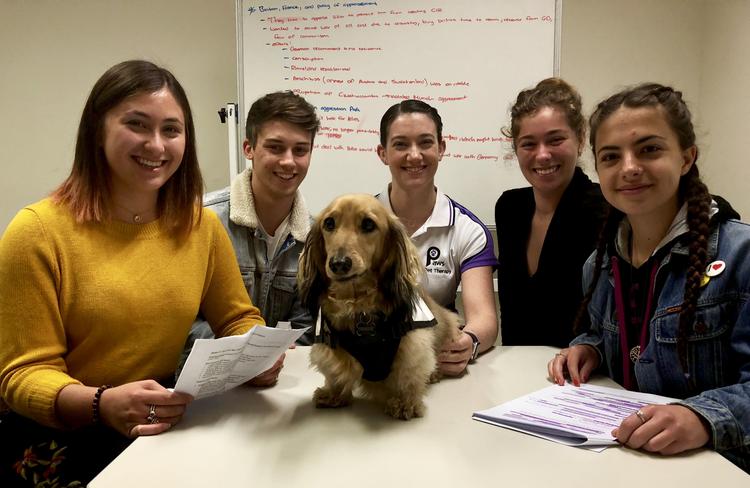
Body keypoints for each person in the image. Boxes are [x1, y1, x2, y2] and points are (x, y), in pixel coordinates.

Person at [0, 60, 275, 486]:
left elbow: (237, 316)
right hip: (66, 435)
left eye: (171, 130)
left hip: (160, 419)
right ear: (97, 130)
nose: (156, 145)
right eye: (137, 125)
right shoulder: (36, 232)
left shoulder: (199, 226)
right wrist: (101, 404)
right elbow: (21, 375)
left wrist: (254, 355)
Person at [547, 83, 750, 471]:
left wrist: (702, 418)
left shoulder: (742, 255)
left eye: (649, 149)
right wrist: (588, 348)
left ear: (687, 157)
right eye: (610, 157)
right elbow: (609, 334)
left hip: (719, 469)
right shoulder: (600, 264)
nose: (629, 168)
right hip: (629, 464)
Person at [180, 91, 319, 368]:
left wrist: (278, 356)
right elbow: (182, 322)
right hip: (208, 382)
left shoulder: (316, 238)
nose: (289, 161)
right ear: (249, 148)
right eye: (275, 147)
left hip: (280, 383)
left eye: (300, 150)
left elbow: (305, 324)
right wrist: (246, 352)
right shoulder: (202, 221)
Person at [375, 99, 498, 376]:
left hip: (434, 362)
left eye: (425, 143)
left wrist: (470, 342)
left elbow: (484, 319)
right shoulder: (360, 224)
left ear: (441, 148)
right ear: (383, 153)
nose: (415, 155)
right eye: (401, 144)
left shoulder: (467, 230)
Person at [495, 78, 607, 348]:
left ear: (580, 139)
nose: (542, 155)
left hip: (583, 376)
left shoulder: (606, 210)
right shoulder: (509, 208)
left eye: (555, 140)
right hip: (518, 372)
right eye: (529, 144)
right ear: (515, 148)